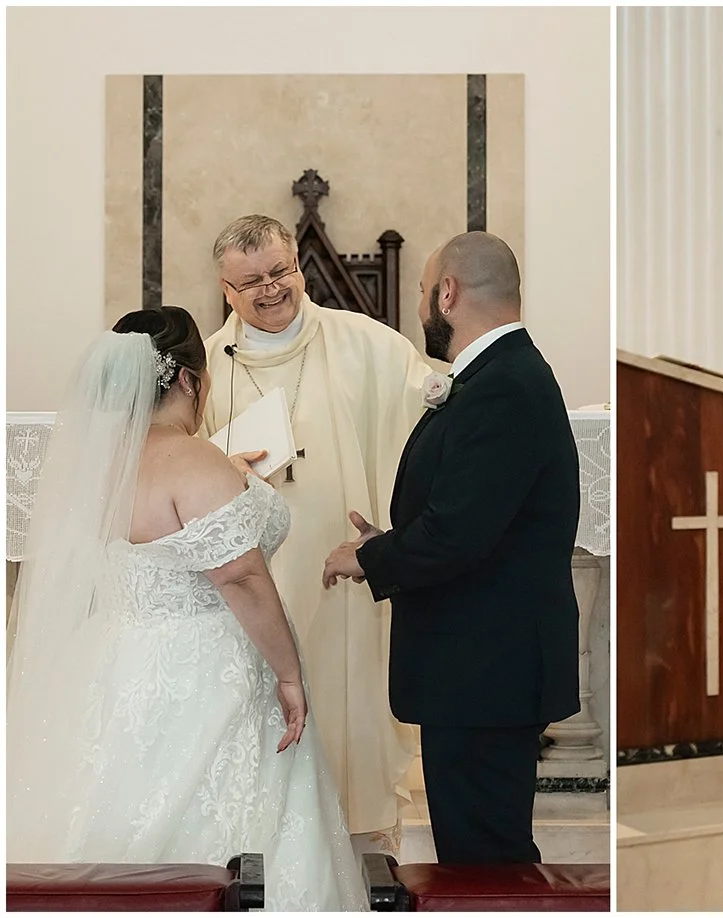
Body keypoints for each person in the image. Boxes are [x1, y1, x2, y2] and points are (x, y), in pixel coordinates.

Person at [8, 306, 366, 910]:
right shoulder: (192, 459)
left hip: (117, 659)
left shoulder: (102, 469)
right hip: (208, 669)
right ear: (188, 380)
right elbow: (244, 578)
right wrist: (288, 674)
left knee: (112, 803)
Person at [323, 231, 580, 864]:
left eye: (420, 292)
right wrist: (392, 541)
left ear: (447, 293)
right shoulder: (498, 375)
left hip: (486, 670)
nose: (419, 309)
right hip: (480, 668)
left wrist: (368, 559)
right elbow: (477, 516)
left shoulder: (505, 385)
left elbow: (458, 534)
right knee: (477, 852)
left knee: (486, 862)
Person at [201, 214, 431, 850]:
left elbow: (431, 402)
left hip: (343, 569)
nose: (271, 289)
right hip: (253, 577)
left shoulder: (364, 342)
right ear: (226, 288)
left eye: (281, 271)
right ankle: (265, 844)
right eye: (252, 282)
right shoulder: (207, 370)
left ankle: (358, 844)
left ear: (298, 266)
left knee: (345, 689)